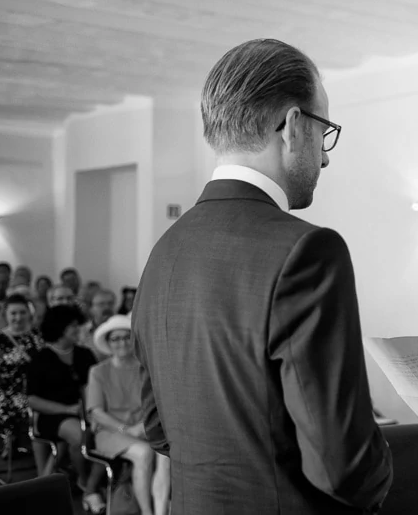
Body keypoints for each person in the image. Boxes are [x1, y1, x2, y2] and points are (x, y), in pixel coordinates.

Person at [132, 38, 392, 515]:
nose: (326, 156)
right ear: (293, 126)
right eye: (324, 131)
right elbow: (343, 470)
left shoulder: (164, 251)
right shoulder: (309, 251)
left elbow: (158, 429)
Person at [88, 315, 170, 515]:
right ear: (108, 343)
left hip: (144, 428)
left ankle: (162, 509)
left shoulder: (143, 367)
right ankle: (146, 511)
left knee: (166, 452)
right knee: (144, 453)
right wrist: (126, 429)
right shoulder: (98, 371)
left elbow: (156, 403)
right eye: (115, 339)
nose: (121, 343)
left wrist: (142, 427)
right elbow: (96, 412)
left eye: (126, 337)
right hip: (111, 432)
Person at [26, 305, 105, 513]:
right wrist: (68, 409)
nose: (77, 330)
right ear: (60, 328)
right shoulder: (40, 358)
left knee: (94, 433)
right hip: (52, 416)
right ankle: (86, 482)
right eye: (72, 326)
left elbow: (97, 384)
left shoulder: (85, 354)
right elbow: (32, 400)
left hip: (84, 412)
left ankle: (88, 483)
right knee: (81, 435)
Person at [0, 294, 43, 458]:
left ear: (29, 313)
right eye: (13, 313)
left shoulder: (37, 336)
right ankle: (12, 441)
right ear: (6, 315)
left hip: (35, 387)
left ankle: (39, 445)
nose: (18, 317)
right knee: (12, 403)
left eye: (22, 312)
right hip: (8, 390)